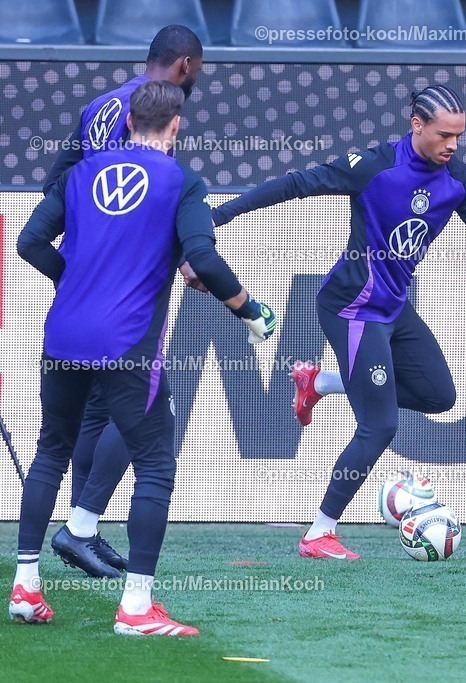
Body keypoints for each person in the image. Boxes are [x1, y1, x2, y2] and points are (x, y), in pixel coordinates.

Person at [212, 85, 466, 560]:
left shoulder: (458, 180)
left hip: (393, 309)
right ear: (417, 126)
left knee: (439, 395)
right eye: (444, 134)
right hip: (351, 307)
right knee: (380, 424)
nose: (452, 145)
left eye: (459, 136)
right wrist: (215, 217)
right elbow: (294, 185)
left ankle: (319, 382)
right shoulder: (375, 166)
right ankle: (318, 533)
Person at [10, 80, 276, 635]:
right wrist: (248, 308)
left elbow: (30, 241)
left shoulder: (79, 174)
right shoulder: (183, 182)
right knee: (155, 463)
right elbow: (200, 255)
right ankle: (136, 608)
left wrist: (75, 281)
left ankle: (26, 586)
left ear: (128, 121)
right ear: (175, 126)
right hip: (127, 345)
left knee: (50, 452)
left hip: (63, 336)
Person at [41, 25, 206, 576]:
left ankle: (80, 529)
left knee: (96, 411)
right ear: (184, 66)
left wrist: (76, 260)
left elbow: (57, 182)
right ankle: (82, 526)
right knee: (140, 410)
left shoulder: (98, 107)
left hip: (84, 282)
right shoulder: (151, 120)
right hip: (127, 291)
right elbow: (138, 203)